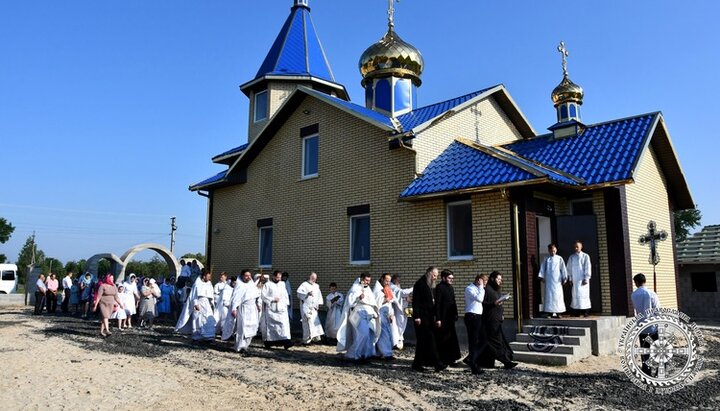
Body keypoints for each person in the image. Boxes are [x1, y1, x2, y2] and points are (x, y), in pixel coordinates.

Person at [336, 273, 381, 361]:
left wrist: (375, 312)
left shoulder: (368, 289)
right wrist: (358, 298)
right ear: (361, 279)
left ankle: (365, 354)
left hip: (369, 314)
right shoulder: (355, 288)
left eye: (369, 281)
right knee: (363, 334)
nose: (368, 283)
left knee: (370, 335)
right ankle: (354, 355)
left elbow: (372, 301)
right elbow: (350, 303)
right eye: (366, 280)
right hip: (358, 314)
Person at [478, 271, 517, 369]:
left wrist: (501, 314)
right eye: (498, 279)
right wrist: (494, 304)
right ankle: (506, 361)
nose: (500, 281)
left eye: (501, 279)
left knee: (490, 342)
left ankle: (483, 362)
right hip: (490, 320)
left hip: (497, 319)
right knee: (496, 342)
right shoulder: (486, 289)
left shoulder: (496, 290)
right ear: (492, 279)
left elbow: (497, 304)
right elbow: (483, 304)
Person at [411, 266, 446, 372]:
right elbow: (415, 301)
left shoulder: (430, 285)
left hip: (429, 317)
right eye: (434, 275)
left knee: (422, 341)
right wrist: (416, 316)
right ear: (429, 273)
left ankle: (417, 364)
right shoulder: (420, 284)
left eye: (436, 276)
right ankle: (437, 364)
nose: (436, 278)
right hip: (421, 317)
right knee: (430, 340)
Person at [223, 269, 261, 353]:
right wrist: (234, 309)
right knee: (243, 328)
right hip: (243, 309)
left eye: (249, 275)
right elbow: (235, 299)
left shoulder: (251, 285)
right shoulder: (239, 285)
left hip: (252, 309)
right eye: (246, 276)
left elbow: (256, 295)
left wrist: (258, 304)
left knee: (252, 327)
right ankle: (240, 347)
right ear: (242, 276)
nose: (248, 277)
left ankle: (246, 345)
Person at [631, 273, 660, 376]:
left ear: (636, 282)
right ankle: (657, 371)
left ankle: (645, 370)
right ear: (644, 281)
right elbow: (657, 309)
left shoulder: (634, 295)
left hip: (641, 325)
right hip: (652, 325)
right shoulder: (651, 293)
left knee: (645, 349)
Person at [175, 271, 217, 341]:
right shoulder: (197, 284)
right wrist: (196, 304)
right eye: (208, 276)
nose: (209, 278)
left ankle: (208, 336)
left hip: (206, 304)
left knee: (209, 320)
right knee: (198, 320)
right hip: (199, 303)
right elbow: (194, 296)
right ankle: (197, 336)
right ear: (204, 276)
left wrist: (212, 303)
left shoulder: (209, 284)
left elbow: (210, 295)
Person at [434, 269, 461, 366]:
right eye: (449, 278)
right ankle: (443, 360)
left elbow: (453, 302)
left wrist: (456, 313)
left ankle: (452, 359)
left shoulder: (450, 288)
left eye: (452, 278)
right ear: (443, 278)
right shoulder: (439, 287)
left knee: (451, 339)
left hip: (450, 317)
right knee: (443, 339)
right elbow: (437, 304)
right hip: (443, 317)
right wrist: (438, 318)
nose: (451, 280)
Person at [260, 271, 293, 349]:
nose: (279, 279)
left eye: (280, 277)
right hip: (271, 309)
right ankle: (270, 342)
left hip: (281, 309)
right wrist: (272, 299)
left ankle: (286, 342)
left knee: (284, 325)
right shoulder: (268, 285)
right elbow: (263, 296)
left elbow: (285, 295)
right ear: (273, 276)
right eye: (277, 277)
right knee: (272, 327)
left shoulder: (282, 284)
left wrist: (286, 304)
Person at [374, 273, 401, 360]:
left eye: (389, 281)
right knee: (383, 334)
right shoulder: (377, 289)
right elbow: (377, 302)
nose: (388, 283)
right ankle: (386, 354)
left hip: (386, 315)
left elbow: (390, 302)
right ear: (382, 279)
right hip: (380, 314)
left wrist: (391, 313)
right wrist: (387, 299)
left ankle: (379, 353)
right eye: (386, 281)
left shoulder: (386, 288)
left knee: (387, 334)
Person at [538, 243, 567, 318]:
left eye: (554, 251)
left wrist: (565, 277)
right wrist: (541, 277)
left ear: (556, 250)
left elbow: (563, 268)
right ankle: (549, 312)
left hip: (557, 280)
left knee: (558, 296)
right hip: (549, 281)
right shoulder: (546, 259)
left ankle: (558, 312)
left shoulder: (559, 258)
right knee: (549, 296)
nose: (553, 252)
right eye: (551, 251)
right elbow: (542, 268)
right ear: (549, 251)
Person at [297, 272, 324, 345]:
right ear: (309, 277)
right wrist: (307, 294)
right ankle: (306, 340)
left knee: (315, 323)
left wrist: (318, 304)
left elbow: (319, 296)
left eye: (315, 279)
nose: (314, 280)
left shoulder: (317, 286)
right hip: (306, 307)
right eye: (313, 278)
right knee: (307, 324)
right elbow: (299, 294)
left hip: (313, 308)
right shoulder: (304, 285)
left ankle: (315, 339)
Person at [567, 240, 592, 317]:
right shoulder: (572, 257)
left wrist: (586, 278)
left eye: (577, 246)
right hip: (575, 279)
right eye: (575, 247)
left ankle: (586, 311)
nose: (576, 248)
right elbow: (569, 268)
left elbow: (587, 267)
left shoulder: (585, 256)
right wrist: (570, 278)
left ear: (581, 247)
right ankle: (576, 311)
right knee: (575, 294)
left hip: (582, 279)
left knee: (584, 295)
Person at [390, 274, 413, 349]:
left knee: (403, 324)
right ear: (395, 280)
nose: (399, 282)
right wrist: (413, 288)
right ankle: (398, 341)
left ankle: (400, 340)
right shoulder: (392, 287)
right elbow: (402, 292)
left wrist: (408, 299)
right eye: (398, 280)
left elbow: (404, 297)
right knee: (399, 324)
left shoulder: (397, 287)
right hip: (398, 309)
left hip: (405, 308)